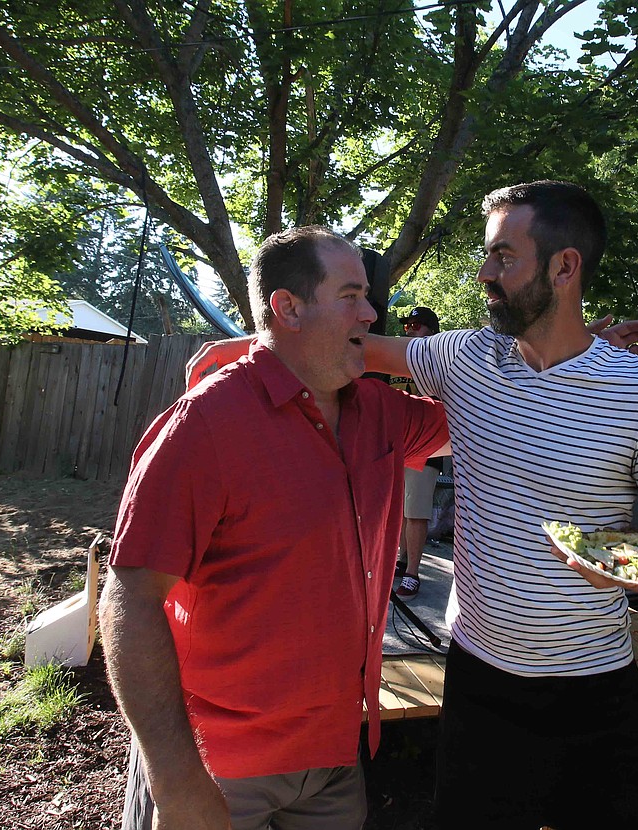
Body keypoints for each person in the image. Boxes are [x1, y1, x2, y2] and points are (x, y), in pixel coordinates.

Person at [361, 180, 638, 830]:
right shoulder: (464, 357)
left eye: (503, 257)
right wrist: (245, 352)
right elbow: (353, 352)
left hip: (597, 696)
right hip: (479, 688)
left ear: (564, 266)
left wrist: (624, 565)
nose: (484, 273)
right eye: (488, 256)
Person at [98, 226, 450, 830]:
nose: (371, 312)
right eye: (350, 296)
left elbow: (495, 408)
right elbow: (129, 598)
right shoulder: (207, 424)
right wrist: (177, 779)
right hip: (221, 768)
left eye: (367, 295)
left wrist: (577, 360)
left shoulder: (381, 413)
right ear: (287, 307)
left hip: (338, 760)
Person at [391, 306, 443, 598]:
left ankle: (413, 572)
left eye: (416, 325)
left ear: (431, 330)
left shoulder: (438, 358)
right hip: (398, 443)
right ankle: (400, 560)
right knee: (398, 508)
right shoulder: (394, 357)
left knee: (415, 511)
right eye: (407, 325)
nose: (409, 329)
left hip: (428, 446)